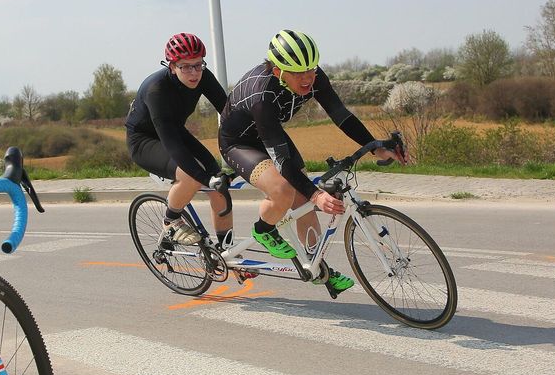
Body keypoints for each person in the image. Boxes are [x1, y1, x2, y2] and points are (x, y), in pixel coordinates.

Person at [217, 29, 408, 293]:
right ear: (278, 72)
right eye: (298, 73)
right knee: (283, 190)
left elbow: (341, 115)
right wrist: (317, 194)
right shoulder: (262, 95)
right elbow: (282, 161)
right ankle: (264, 229)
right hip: (239, 143)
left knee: (304, 202)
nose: (307, 77)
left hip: (271, 134)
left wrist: (375, 147)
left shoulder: (313, 76)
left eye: (311, 69)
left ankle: (318, 267)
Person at [126, 33, 232, 247]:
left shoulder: (204, 76)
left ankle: (228, 252)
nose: (194, 72)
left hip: (174, 129)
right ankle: (171, 220)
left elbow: (230, 114)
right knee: (191, 176)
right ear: (172, 66)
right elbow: (172, 143)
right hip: (144, 140)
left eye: (198, 65)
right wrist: (202, 176)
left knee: (219, 185)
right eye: (185, 67)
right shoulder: (156, 89)